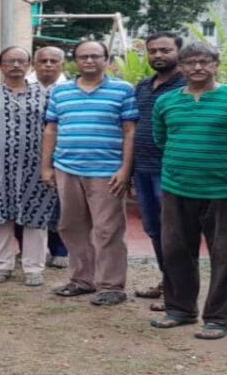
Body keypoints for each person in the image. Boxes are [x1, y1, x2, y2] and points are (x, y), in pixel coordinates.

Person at [42, 40, 138, 306]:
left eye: (95, 56)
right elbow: (51, 129)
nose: (89, 61)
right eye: (83, 56)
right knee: (71, 226)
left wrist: (124, 169)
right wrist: (46, 167)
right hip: (67, 169)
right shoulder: (61, 92)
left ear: (106, 59)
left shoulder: (122, 90)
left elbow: (130, 130)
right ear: (75, 61)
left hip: (107, 172)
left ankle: (112, 286)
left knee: (108, 230)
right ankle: (82, 280)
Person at [150, 42, 227, 340]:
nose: (197, 67)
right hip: (176, 188)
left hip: (225, 192)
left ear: (216, 64)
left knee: (226, 256)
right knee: (176, 251)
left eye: (204, 61)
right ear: (181, 67)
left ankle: (218, 318)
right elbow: (162, 140)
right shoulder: (167, 102)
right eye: (190, 62)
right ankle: (180, 310)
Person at [0, 47, 59, 286]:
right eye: (9, 61)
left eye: (21, 61)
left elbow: (55, 132)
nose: (15, 65)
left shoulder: (47, 96)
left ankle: (33, 269)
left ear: (29, 65)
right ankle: (2, 265)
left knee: (36, 219)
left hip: (36, 170)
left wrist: (53, 166)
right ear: (0, 65)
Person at [132, 32, 185, 310]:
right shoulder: (143, 85)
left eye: (165, 50)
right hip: (142, 168)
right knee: (154, 229)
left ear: (178, 52)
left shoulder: (187, 85)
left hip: (172, 172)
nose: (158, 56)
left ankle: (178, 292)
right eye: (153, 51)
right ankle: (168, 283)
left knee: (175, 232)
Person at [19, 45, 69, 269]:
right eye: (43, 61)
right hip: (25, 158)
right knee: (27, 204)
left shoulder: (70, 89)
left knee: (60, 206)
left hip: (62, 157)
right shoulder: (21, 88)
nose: (48, 64)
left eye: (53, 61)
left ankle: (60, 251)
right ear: (34, 64)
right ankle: (29, 252)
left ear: (62, 65)